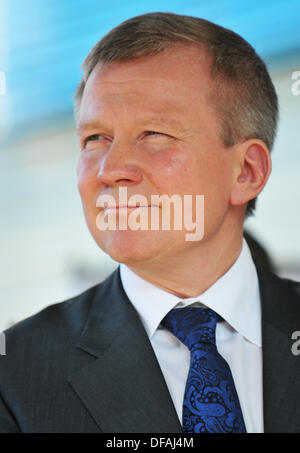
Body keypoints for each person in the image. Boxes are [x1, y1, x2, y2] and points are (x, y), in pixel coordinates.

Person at [1, 12, 300, 434]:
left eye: (154, 133)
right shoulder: (14, 375)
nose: (111, 169)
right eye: (94, 138)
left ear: (246, 171)